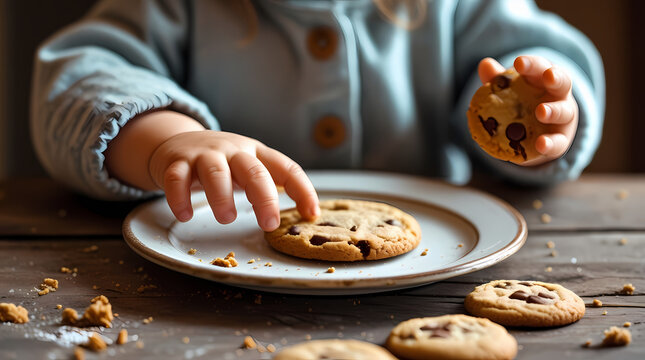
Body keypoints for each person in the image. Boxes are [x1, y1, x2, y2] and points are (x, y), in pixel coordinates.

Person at [30, 0, 604, 231]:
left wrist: (547, 111)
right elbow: (80, 77)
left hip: (440, 257)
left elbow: (533, 60)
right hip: (211, 263)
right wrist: (167, 142)